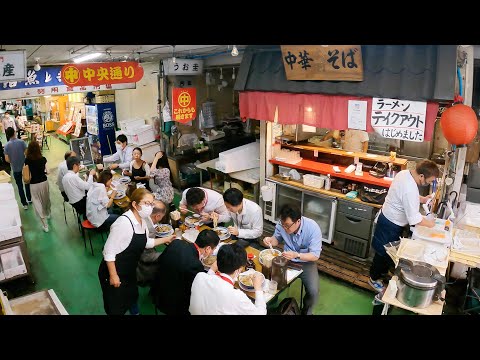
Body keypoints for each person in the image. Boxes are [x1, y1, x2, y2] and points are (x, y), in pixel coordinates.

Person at [368, 159, 440, 293]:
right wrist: (430, 224)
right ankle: (373, 279)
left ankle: (382, 274)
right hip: (390, 223)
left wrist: (421, 199)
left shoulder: (405, 174)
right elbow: (414, 219)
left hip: (388, 218)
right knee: (382, 253)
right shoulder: (410, 189)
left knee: (388, 253)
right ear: (421, 176)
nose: (429, 184)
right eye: (429, 181)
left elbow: (405, 195)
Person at [98, 189, 171, 315]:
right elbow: (108, 251)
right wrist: (113, 276)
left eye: (151, 203)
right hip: (114, 271)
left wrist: (168, 238)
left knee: (132, 296)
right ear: (135, 204)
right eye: (146, 203)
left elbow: (146, 242)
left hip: (129, 270)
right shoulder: (124, 223)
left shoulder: (143, 220)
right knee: (116, 306)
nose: (149, 207)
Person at [263, 204, 322, 315]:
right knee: (270, 279)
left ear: (298, 221)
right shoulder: (282, 224)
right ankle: (270, 306)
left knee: (313, 291)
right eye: (283, 224)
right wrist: (270, 240)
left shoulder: (312, 228)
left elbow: (315, 255)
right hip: (285, 259)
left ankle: (306, 311)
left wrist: (297, 255)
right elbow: (276, 239)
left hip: (306, 262)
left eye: (288, 226)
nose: (285, 228)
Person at [150, 229, 220, 315]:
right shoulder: (196, 265)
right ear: (208, 249)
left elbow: (160, 261)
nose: (212, 252)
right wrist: (212, 269)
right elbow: (200, 289)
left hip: (156, 291)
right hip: (172, 305)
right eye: (214, 249)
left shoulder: (176, 243)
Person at [189, 243, 267, 315]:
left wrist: (212, 269)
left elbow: (209, 281)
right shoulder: (237, 296)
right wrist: (258, 288)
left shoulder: (199, 277)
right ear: (239, 269)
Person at [137, 200, 176, 287]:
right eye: (162, 216)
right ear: (158, 216)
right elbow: (146, 252)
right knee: (172, 257)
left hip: (139, 253)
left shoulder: (142, 216)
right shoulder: (148, 228)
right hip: (143, 258)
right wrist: (166, 243)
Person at [24, 140, 51, 232]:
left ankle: (45, 225)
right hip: (44, 183)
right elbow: (48, 171)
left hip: (34, 185)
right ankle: (48, 213)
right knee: (46, 199)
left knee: (37, 203)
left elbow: (27, 173)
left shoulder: (27, 160)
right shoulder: (43, 159)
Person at [4, 127, 31, 210]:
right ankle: (29, 199)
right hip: (24, 166)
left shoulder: (7, 145)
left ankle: (24, 204)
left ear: (7, 135)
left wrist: (13, 161)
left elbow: (7, 159)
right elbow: (26, 153)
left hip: (15, 168)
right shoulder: (21, 142)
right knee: (27, 182)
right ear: (15, 132)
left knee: (19, 186)